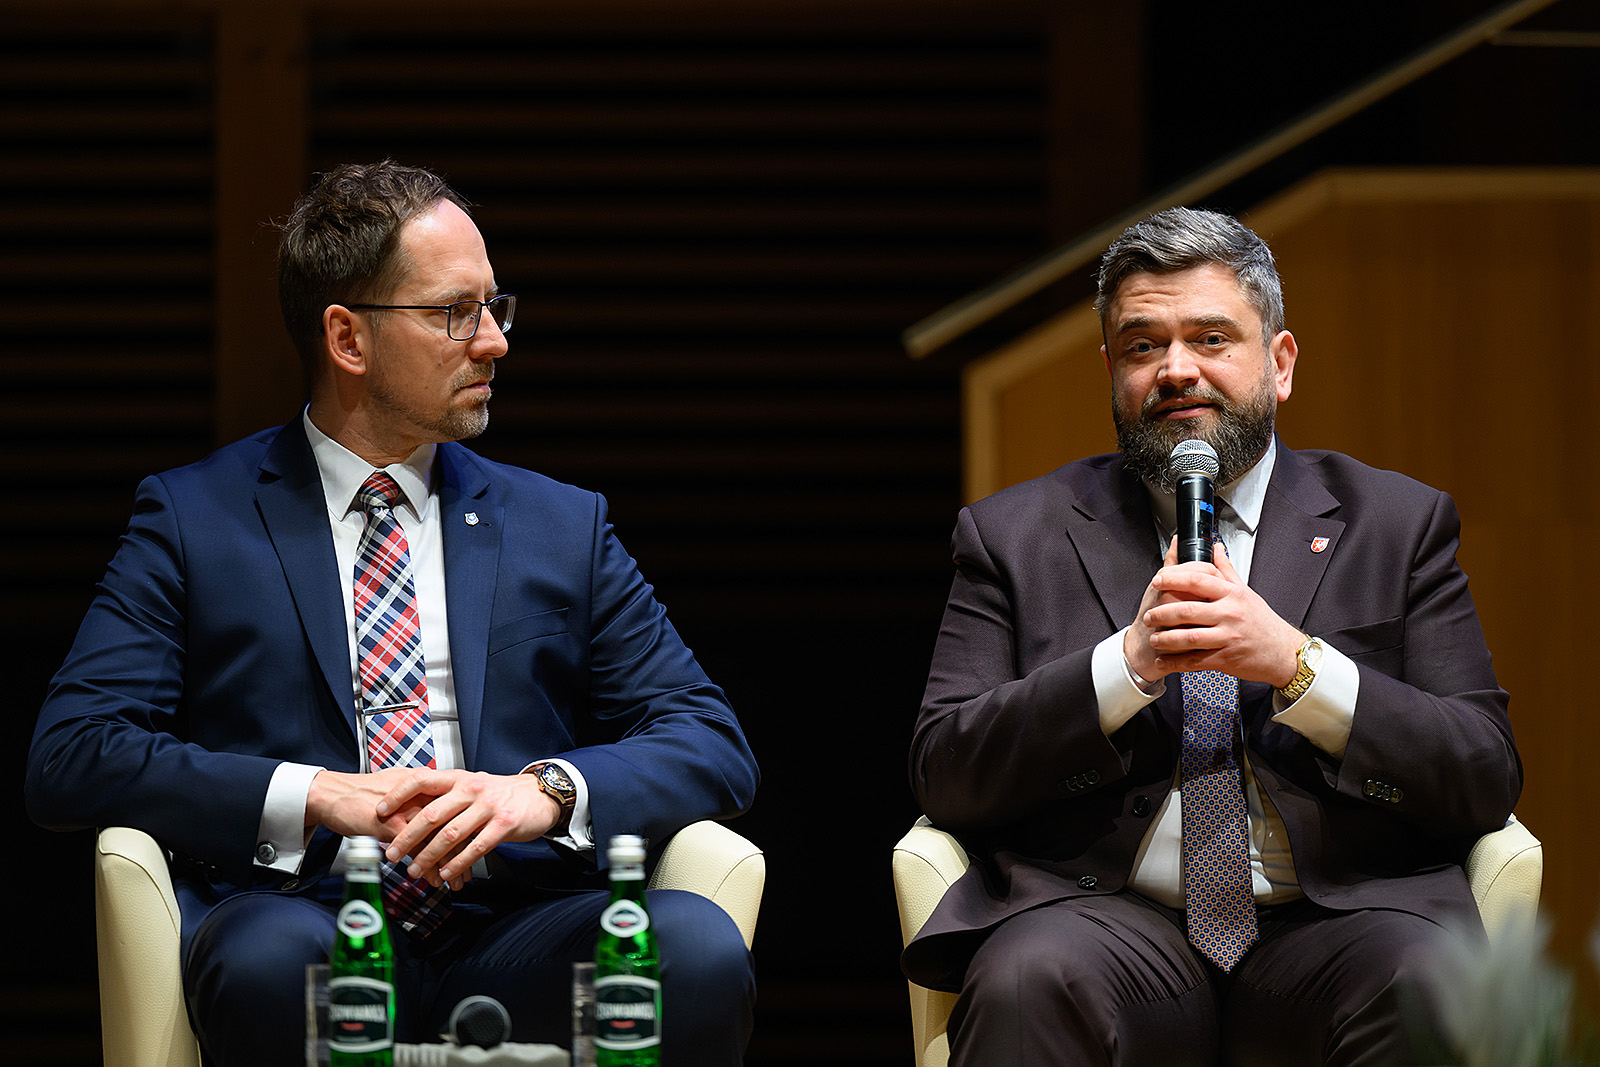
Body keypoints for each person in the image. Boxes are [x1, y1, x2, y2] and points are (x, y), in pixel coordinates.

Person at [26, 161, 759, 1067]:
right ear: (348, 337)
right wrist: (312, 793)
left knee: (694, 948)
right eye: (455, 312)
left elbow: (708, 737)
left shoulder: (560, 525)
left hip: (519, 922)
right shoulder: (194, 518)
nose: (494, 341)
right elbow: (72, 751)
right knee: (265, 962)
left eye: (495, 307)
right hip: (305, 916)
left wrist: (544, 791)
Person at [903, 206, 1520, 1067]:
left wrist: (1297, 665)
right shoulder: (1014, 535)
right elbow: (944, 769)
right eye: (1142, 346)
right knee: (1024, 978)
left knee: (1423, 976)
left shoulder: (1396, 523)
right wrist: (1123, 667)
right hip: (1105, 919)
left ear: (1280, 363)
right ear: (1112, 370)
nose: (1176, 369)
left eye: (1211, 338)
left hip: (1337, 920)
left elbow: (1483, 772)